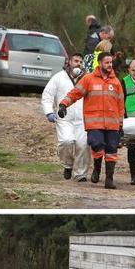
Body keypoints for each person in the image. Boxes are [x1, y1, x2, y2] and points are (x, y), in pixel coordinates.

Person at [57, 52, 125, 189]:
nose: (110, 65)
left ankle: (109, 180)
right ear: (99, 63)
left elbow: (120, 105)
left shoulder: (116, 82)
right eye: (107, 62)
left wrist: (121, 124)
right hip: (95, 123)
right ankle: (97, 167)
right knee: (97, 144)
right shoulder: (89, 79)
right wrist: (63, 104)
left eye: (111, 62)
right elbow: (75, 93)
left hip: (112, 125)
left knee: (111, 151)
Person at [42, 53, 89, 182]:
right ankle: (67, 165)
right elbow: (48, 95)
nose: (78, 64)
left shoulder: (87, 79)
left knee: (83, 145)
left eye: (80, 61)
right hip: (64, 118)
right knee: (66, 142)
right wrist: (49, 112)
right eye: (76, 61)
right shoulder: (58, 77)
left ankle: (81, 173)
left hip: (82, 119)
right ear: (69, 62)